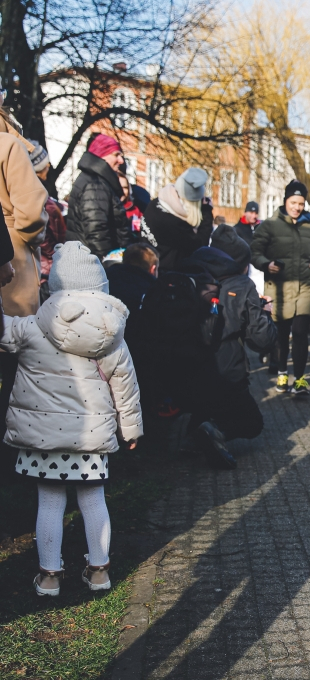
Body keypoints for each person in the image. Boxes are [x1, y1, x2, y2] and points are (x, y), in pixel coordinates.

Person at [5, 242, 143, 596]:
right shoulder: (112, 337)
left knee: (50, 502)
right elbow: (125, 387)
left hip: (43, 438)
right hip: (91, 438)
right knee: (93, 500)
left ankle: (49, 577)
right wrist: (131, 429)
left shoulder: (33, 327)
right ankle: (99, 571)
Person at [181, 225, 277, 469]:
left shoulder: (189, 274)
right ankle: (212, 432)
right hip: (227, 370)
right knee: (252, 422)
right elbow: (261, 341)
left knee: (204, 403)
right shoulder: (243, 285)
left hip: (187, 365)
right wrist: (264, 313)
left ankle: (190, 435)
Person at [250, 179, 310, 396]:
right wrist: (267, 264)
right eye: (293, 202)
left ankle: (300, 379)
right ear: (285, 201)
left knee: (301, 331)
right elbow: (255, 253)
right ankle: (282, 371)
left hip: (306, 285)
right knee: (282, 333)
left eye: (301, 203)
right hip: (279, 287)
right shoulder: (270, 225)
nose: (297, 207)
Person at [0, 122, 47, 452]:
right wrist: (33, 239)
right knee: (13, 358)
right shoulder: (8, 146)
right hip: (10, 260)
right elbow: (30, 214)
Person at [66, 135, 130, 261]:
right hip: (91, 265)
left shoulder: (96, 180)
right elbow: (97, 231)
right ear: (102, 155)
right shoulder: (95, 184)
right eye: (116, 154)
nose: (121, 160)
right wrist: (108, 262)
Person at [145, 167, 214, 272]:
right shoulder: (174, 223)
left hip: (146, 266)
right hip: (165, 275)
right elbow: (199, 246)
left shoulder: (155, 204)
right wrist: (206, 212)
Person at [27, 140, 66, 285]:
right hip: (45, 270)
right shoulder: (37, 197)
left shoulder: (39, 194)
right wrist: (53, 253)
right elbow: (40, 233)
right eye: (44, 164)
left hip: (44, 266)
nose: (48, 166)